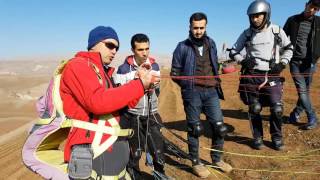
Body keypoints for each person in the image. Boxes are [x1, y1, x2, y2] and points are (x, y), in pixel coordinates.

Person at [60, 26, 158, 179]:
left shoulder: (103, 73)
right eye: (110, 45)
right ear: (94, 43)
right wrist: (139, 85)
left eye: (116, 48)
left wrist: (142, 86)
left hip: (109, 152)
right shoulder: (78, 66)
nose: (114, 51)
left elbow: (118, 106)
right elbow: (98, 102)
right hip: (91, 153)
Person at [171, 12, 232, 178]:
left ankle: (217, 159)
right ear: (190, 27)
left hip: (211, 92)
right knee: (195, 129)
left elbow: (214, 65)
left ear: (206, 27)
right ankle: (196, 163)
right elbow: (175, 73)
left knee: (220, 127)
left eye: (201, 28)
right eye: (195, 27)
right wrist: (188, 88)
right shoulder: (182, 47)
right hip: (193, 93)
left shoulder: (211, 43)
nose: (198, 31)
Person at [229, 0, 293, 151]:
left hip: (272, 76)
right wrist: (243, 61)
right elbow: (233, 51)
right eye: (252, 16)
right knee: (255, 108)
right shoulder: (247, 33)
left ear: (266, 15)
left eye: (258, 16)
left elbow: (289, 48)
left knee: (277, 108)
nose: (255, 19)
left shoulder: (277, 31)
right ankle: (257, 138)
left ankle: (276, 138)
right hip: (252, 76)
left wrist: (282, 63)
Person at [114, 33, 167, 179]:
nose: (144, 53)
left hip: (152, 113)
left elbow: (158, 90)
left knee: (158, 151)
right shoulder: (123, 69)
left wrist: (152, 89)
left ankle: (160, 176)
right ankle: (134, 176)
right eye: (140, 49)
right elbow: (119, 93)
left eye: (147, 49)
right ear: (133, 50)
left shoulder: (154, 66)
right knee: (134, 153)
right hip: (131, 115)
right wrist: (135, 78)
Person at [284, 0, 320, 130]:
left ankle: (295, 114)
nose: (312, 10)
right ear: (306, 5)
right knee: (302, 90)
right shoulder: (292, 20)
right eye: (311, 6)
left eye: (315, 9)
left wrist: (316, 56)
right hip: (295, 62)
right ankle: (312, 116)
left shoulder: (318, 22)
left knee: (305, 92)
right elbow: (282, 38)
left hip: (310, 64)